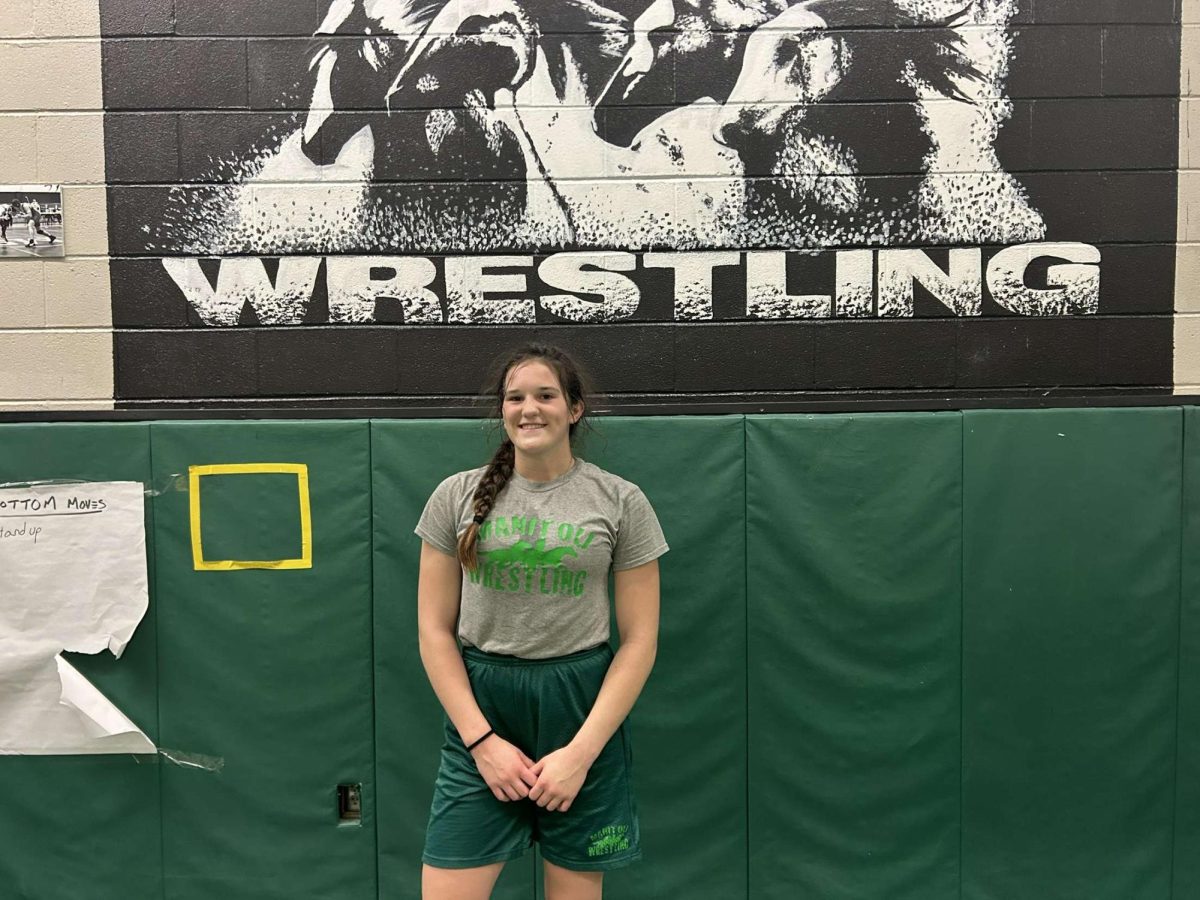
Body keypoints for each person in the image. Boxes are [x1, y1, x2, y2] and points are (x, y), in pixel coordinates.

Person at [414, 343, 667, 900]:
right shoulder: (454, 496)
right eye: (515, 397)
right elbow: (433, 631)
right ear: (502, 410)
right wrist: (482, 743)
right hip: (483, 708)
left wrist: (581, 754)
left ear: (574, 409)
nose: (529, 408)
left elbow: (640, 640)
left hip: (579, 708)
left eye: (545, 395)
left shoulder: (621, 501)